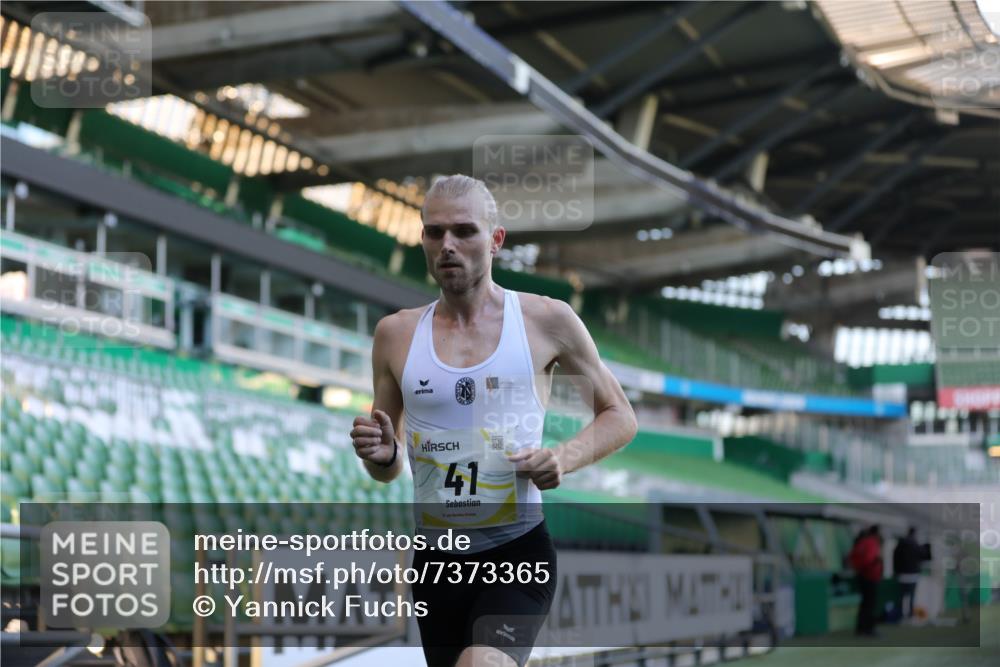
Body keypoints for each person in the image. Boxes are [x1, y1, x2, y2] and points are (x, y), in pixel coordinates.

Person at [349, 174, 638, 667]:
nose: (447, 245)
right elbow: (389, 466)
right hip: (436, 565)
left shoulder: (547, 320)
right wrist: (383, 454)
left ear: (496, 239)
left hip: (516, 554)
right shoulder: (394, 334)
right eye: (434, 232)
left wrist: (563, 457)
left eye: (464, 231)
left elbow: (620, 415)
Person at [850, 525, 884, 637]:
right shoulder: (872, 542)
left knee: (865, 603)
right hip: (870, 576)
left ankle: (861, 628)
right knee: (870, 604)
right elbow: (869, 559)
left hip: (862, 575)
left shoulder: (862, 541)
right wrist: (876, 562)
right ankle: (869, 629)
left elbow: (853, 556)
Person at [892, 527, 924, 620]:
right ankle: (910, 615)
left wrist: (896, 571)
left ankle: (900, 615)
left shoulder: (900, 544)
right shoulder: (916, 545)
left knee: (901, 596)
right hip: (913, 575)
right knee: (911, 596)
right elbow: (922, 556)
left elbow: (895, 559)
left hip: (901, 575)